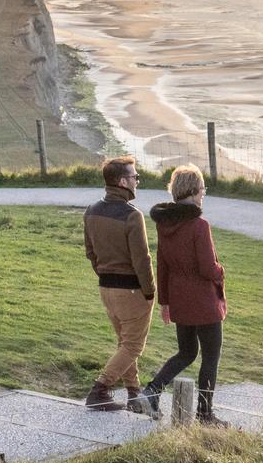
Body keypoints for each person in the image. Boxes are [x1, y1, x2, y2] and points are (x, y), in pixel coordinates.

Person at [134, 164, 228, 425]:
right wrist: (221, 270)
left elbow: (162, 266)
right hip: (204, 303)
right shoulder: (199, 225)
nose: (203, 195)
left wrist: (165, 302)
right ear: (195, 191)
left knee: (186, 352)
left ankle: (152, 390)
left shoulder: (165, 225)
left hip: (180, 302)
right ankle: (205, 414)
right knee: (210, 357)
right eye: (202, 190)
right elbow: (208, 268)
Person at [82, 156, 155, 412]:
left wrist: (104, 274)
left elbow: (90, 253)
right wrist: (150, 291)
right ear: (123, 181)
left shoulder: (91, 211)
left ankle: (134, 394)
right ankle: (100, 389)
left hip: (106, 288)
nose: (137, 181)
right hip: (132, 289)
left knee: (125, 343)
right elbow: (142, 259)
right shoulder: (132, 216)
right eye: (135, 177)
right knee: (133, 345)